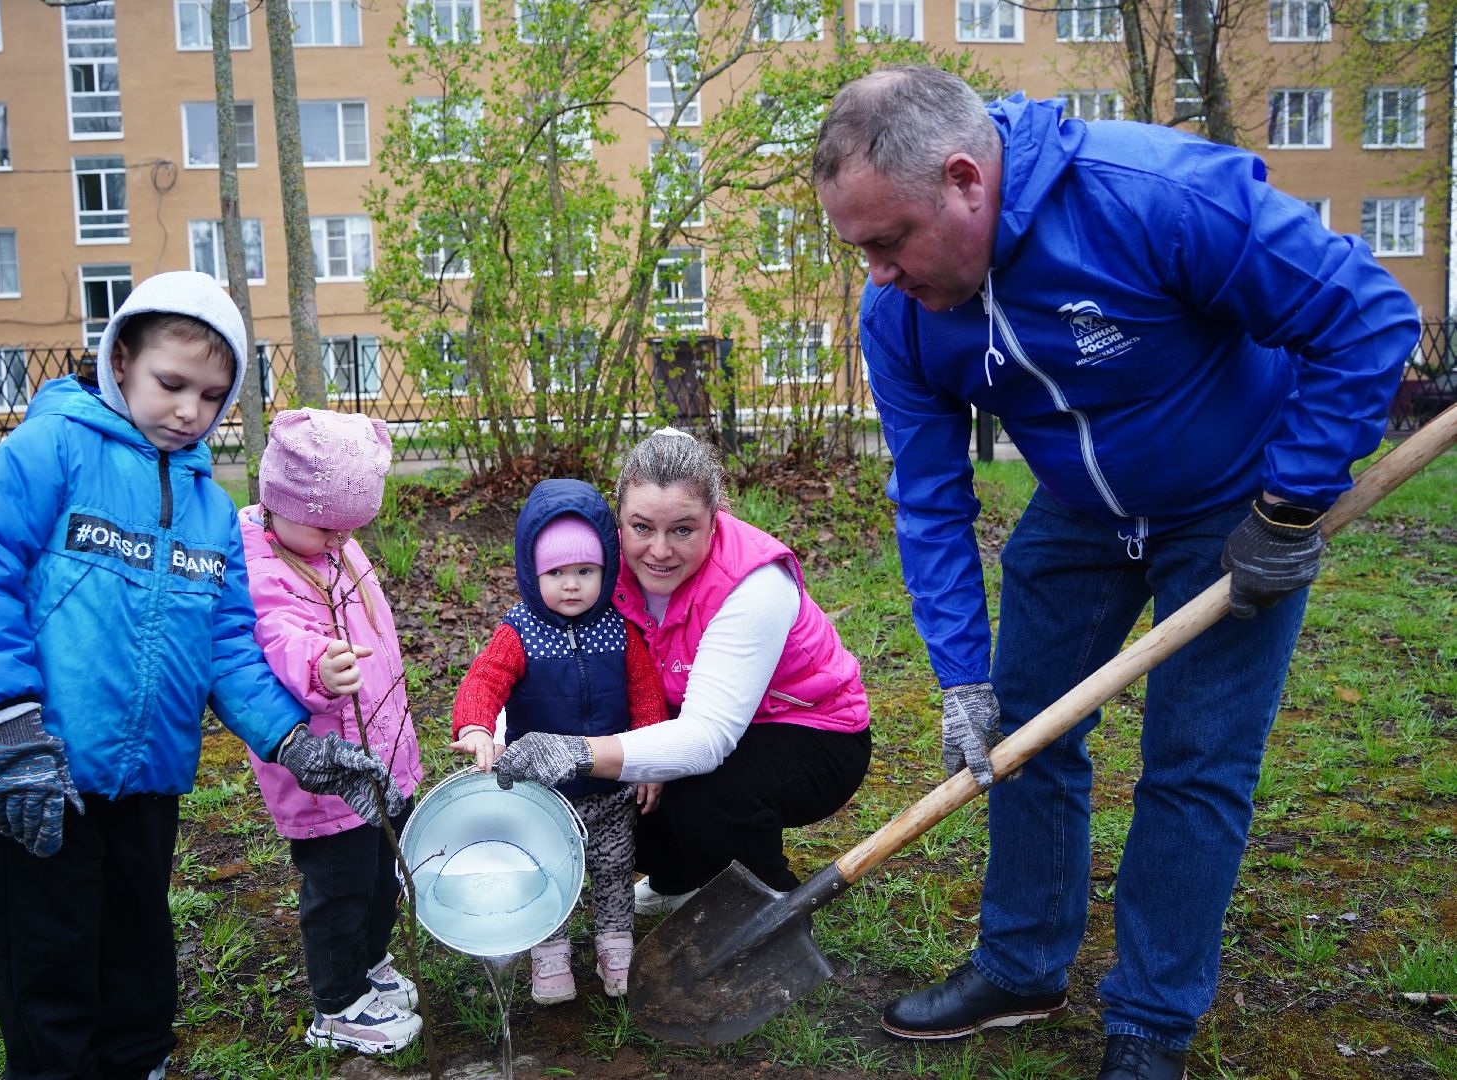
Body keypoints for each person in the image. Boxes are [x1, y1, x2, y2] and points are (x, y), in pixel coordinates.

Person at [811, 65, 1417, 1079]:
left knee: (1195, 763)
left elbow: (1366, 319)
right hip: (1083, 513)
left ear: (966, 179)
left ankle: (1150, 1019)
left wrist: (1287, 505)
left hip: (1235, 502)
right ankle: (1021, 964)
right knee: (1019, 734)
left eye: (888, 241)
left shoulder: (1157, 197)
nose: (876, 272)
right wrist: (962, 675)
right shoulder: (905, 315)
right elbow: (929, 500)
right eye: (858, 247)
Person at [0, 271, 406, 1080]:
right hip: (40, 771)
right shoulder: (55, 449)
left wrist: (294, 742)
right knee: (50, 965)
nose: (189, 409)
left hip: (147, 779)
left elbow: (226, 643)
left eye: (212, 395)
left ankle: (138, 1062)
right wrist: (11, 720)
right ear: (121, 362)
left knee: (139, 959)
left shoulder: (210, 508)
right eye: (171, 383)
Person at [491, 430, 873, 919]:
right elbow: (538, 651)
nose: (659, 550)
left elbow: (707, 738)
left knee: (705, 799)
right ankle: (680, 878)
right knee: (618, 798)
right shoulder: (598, 565)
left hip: (811, 730)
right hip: (685, 715)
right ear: (619, 521)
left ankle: (773, 909)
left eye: (683, 530)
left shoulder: (754, 584)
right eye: (642, 527)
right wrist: (507, 735)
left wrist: (576, 751)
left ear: (714, 523)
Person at [240, 408, 425, 1055]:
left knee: (380, 876)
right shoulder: (261, 567)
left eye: (350, 530)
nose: (338, 542)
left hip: (380, 751)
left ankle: (369, 964)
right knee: (340, 886)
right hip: (326, 775)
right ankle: (338, 1003)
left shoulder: (328, 540)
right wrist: (318, 666)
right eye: (325, 528)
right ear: (277, 501)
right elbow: (278, 637)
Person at [450, 478, 668, 1004]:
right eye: (556, 573)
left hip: (611, 787)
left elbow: (646, 697)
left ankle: (616, 947)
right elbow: (485, 680)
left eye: (585, 572)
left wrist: (651, 762)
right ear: (532, 571)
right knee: (549, 871)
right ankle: (550, 954)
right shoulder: (519, 631)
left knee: (615, 867)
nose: (571, 585)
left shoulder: (619, 628)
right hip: (543, 795)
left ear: (606, 569)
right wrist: (476, 726)